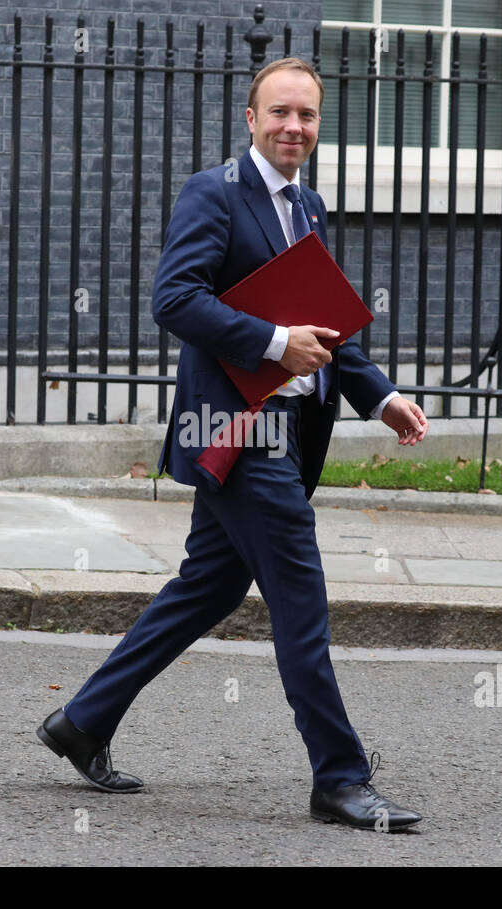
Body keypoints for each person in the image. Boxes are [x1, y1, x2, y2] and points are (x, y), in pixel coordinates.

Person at [37, 56, 429, 832]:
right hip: (240, 436)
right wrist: (274, 343)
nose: (294, 127)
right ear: (251, 119)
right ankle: (339, 778)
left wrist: (379, 395)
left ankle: (82, 721)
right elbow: (175, 299)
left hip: (277, 432)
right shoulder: (213, 193)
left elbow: (326, 327)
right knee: (300, 604)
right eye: (280, 113)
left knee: (208, 589)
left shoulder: (307, 205)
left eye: (307, 116)